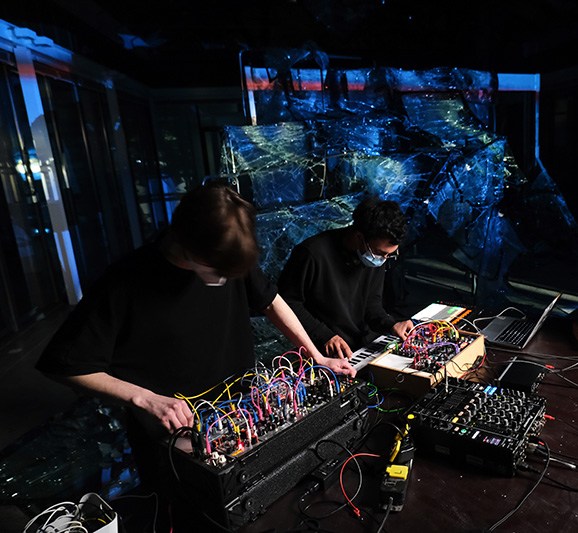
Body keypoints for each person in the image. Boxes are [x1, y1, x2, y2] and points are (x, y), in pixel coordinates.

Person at [36, 182, 354, 531]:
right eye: (219, 271)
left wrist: (314, 356)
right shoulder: (124, 282)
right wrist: (146, 399)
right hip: (174, 438)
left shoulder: (225, 254)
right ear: (187, 244)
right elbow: (62, 365)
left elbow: (270, 300)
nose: (226, 279)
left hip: (243, 416)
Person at [278, 196, 414, 360]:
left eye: (389, 254)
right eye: (380, 253)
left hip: (364, 344)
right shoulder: (311, 254)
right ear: (359, 237)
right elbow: (287, 304)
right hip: (326, 352)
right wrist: (324, 335)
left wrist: (391, 324)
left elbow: (372, 303)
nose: (383, 259)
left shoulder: (376, 254)